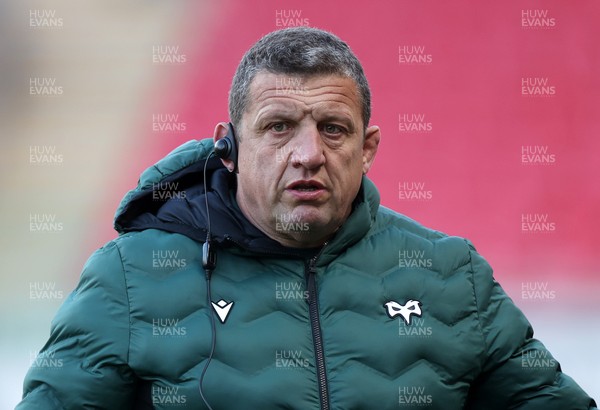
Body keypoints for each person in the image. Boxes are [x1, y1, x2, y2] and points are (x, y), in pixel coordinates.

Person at [18, 27, 596, 410]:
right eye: (278, 127)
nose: (308, 153)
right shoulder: (129, 277)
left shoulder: (452, 277)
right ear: (230, 146)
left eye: (333, 129)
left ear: (367, 147)